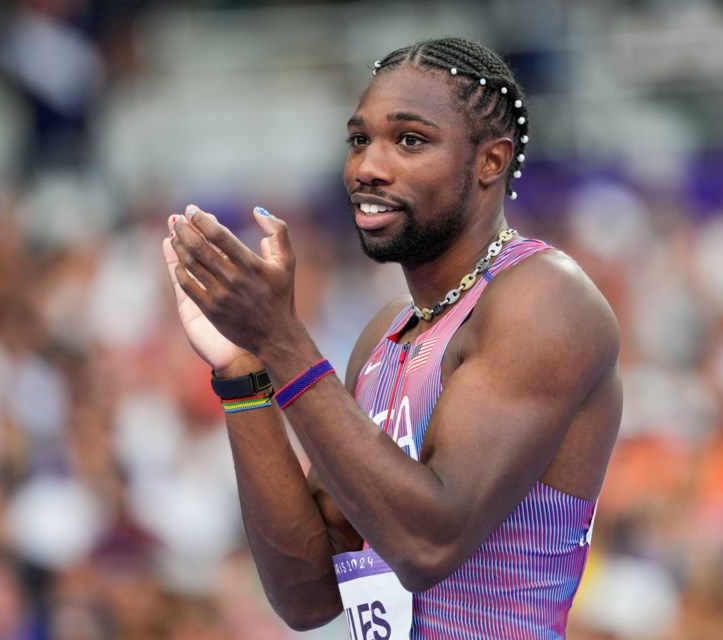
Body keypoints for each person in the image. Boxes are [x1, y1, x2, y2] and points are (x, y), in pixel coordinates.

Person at [162, 37, 622, 639]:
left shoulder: (546, 299)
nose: (368, 168)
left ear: (490, 161)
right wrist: (244, 372)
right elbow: (308, 597)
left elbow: (428, 545)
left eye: (410, 140)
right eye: (359, 140)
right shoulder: (385, 335)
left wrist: (281, 339)